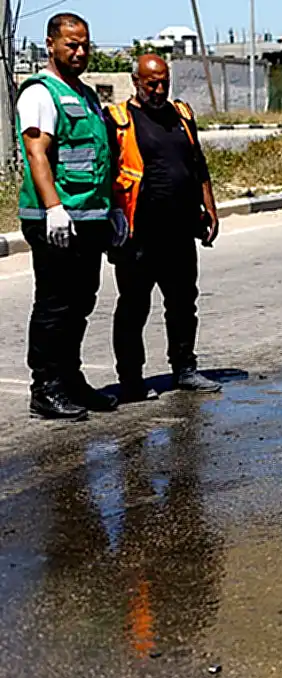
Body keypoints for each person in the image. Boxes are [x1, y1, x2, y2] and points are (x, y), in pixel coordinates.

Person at [18, 13, 123, 420]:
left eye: (84, 45)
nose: (79, 52)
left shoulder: (86, 95)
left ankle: (70, 379)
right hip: (56, 219)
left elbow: (100, 158)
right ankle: (44, 387)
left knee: (81, 302)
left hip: (90, 217)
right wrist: (53, 209)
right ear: (50, 45)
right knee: (54, 304)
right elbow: (36, 153)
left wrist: (112, 208)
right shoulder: (41, 93)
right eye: (71, 44)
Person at [105, 54, 222, 403]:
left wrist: (210, 209)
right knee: (133, 308)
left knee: (184, 304)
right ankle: (130, 379)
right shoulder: (118, 120)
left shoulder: (182, 116)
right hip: (138, 235)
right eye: (151, 83)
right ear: (136, 82)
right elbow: (108, 172)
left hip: (180, 232)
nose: (158, 90)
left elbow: (198, 165)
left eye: (163, 83)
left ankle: (184, 368)